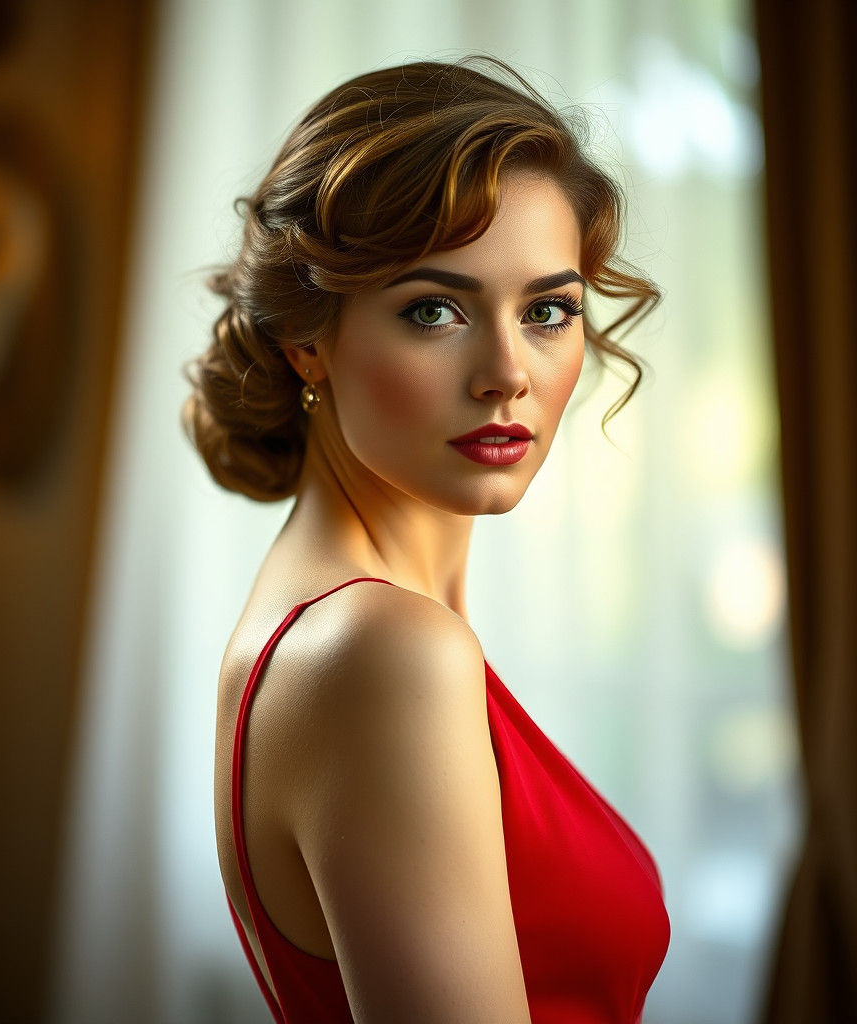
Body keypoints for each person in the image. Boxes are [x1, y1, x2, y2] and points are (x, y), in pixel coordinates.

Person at [182, 54, 668, 1024]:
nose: (506, 372)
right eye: (434, 309)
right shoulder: (382, 652)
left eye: (547, 310)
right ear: (307, 338)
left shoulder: (337, 629)